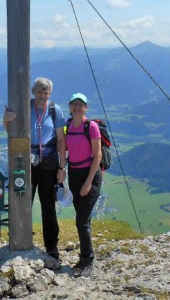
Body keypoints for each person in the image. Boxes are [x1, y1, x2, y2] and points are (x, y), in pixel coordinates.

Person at [3, 77, 67, 260]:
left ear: (50, 93)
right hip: (25, 161)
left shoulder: (55, 111)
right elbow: (9, 130)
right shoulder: (25, 106)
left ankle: (52, 246)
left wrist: (62, 167)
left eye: (46, 92)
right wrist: (5, 119)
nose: (42, 95)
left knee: (48, 206)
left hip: (48, 163)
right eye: (39, 91)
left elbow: (61, 141)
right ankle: (21, 241)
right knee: (23, 202)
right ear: (32, 91)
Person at [64, 92, 102, 277]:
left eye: (81, 104)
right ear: (70, 107)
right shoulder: (67, 125)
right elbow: (63, 148)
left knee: (81, 220)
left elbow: (98, 156)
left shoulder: (91, 126)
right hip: (74, 174)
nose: (77, 107)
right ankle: (83, 258)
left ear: (86, 107)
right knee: (82, 219)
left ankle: (88, 261)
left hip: (90, 175)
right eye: (74, 104)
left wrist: (88, 183)